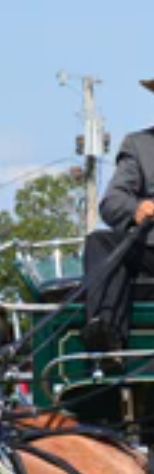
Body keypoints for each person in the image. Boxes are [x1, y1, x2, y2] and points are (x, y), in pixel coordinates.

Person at [81, 78, 154, 357]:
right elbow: (112, 201)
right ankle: (105, 336)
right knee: (100, 242)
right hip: (149, 249)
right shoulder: (139, 145)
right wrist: (136, 209)